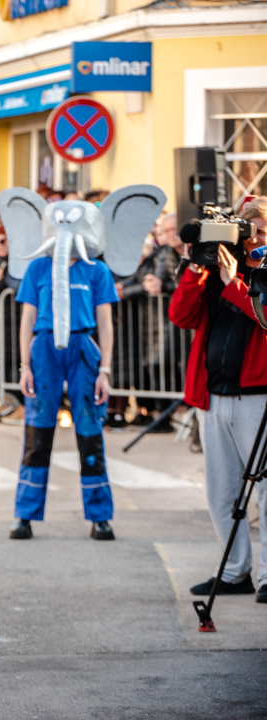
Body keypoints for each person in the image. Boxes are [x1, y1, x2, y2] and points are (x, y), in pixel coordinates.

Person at [169, 198, 267, 602]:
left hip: (257, 396)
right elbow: (181, 316)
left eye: (260, 232)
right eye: (250, 231)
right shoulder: (209, 271)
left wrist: (235, 282)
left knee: (265, 489)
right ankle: (233, 571)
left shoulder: (259, 274)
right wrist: (196, 268)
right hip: (213, 395)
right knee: (221, 490)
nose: (253, 239)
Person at [13, 228, 118, 541]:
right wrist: (25, 367)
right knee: (37, 432)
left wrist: (105, 370)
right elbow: (27, 321)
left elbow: (105, 323)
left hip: (83, 349)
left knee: (90, 432)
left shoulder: (97, 270)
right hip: (44, 349)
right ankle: (24, 515)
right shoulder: (38, 268)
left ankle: (100, 516)